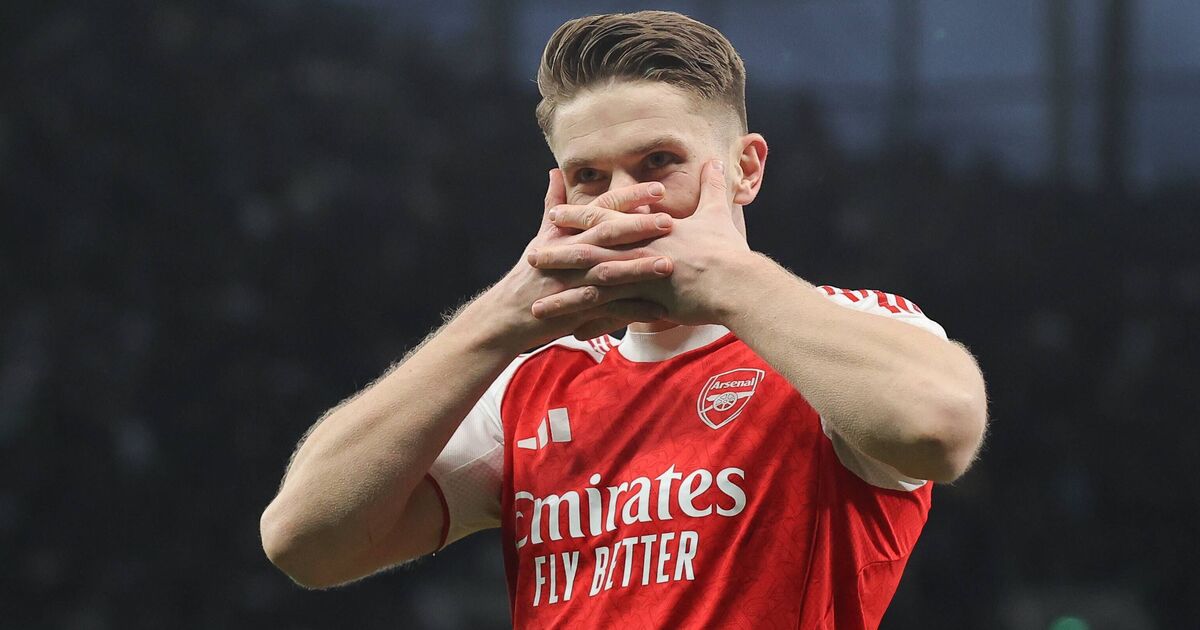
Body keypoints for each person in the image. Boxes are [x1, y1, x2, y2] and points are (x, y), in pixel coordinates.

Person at [260, 10, 988, 629]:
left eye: (658, 162)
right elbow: (305, 542)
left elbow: (941, 428)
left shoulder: (841, 330)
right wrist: (500, 317)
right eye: (589, 176)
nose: (623, 200)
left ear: (745, 169)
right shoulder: (529, 386)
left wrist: (727, 281)